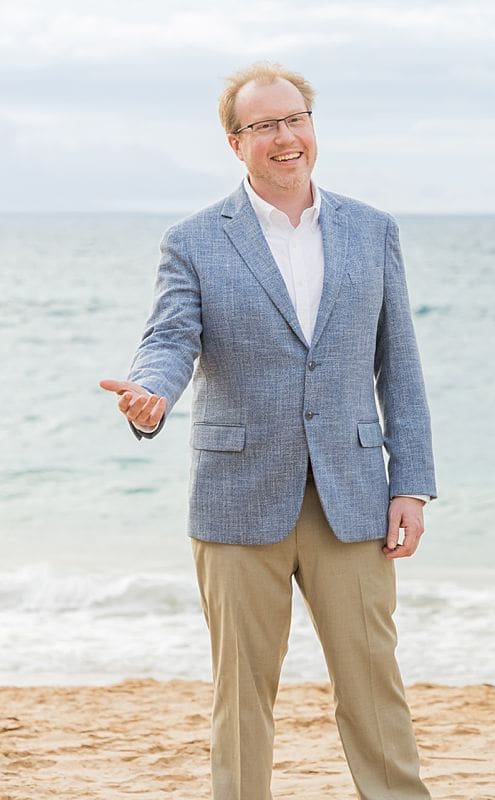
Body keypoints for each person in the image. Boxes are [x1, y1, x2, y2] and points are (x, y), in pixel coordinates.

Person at [99, 63, 435, 800]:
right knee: (243, 695)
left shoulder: (372, 231)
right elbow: (170, 338)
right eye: (265, 126)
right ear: (235, 142)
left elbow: (398, 367)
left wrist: (410, 481)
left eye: (296, 119)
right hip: (236, 499)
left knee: (374, 685)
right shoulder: (193, 241)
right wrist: (151, 392)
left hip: (351, 498)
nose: (286, 137)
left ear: (312, 127)